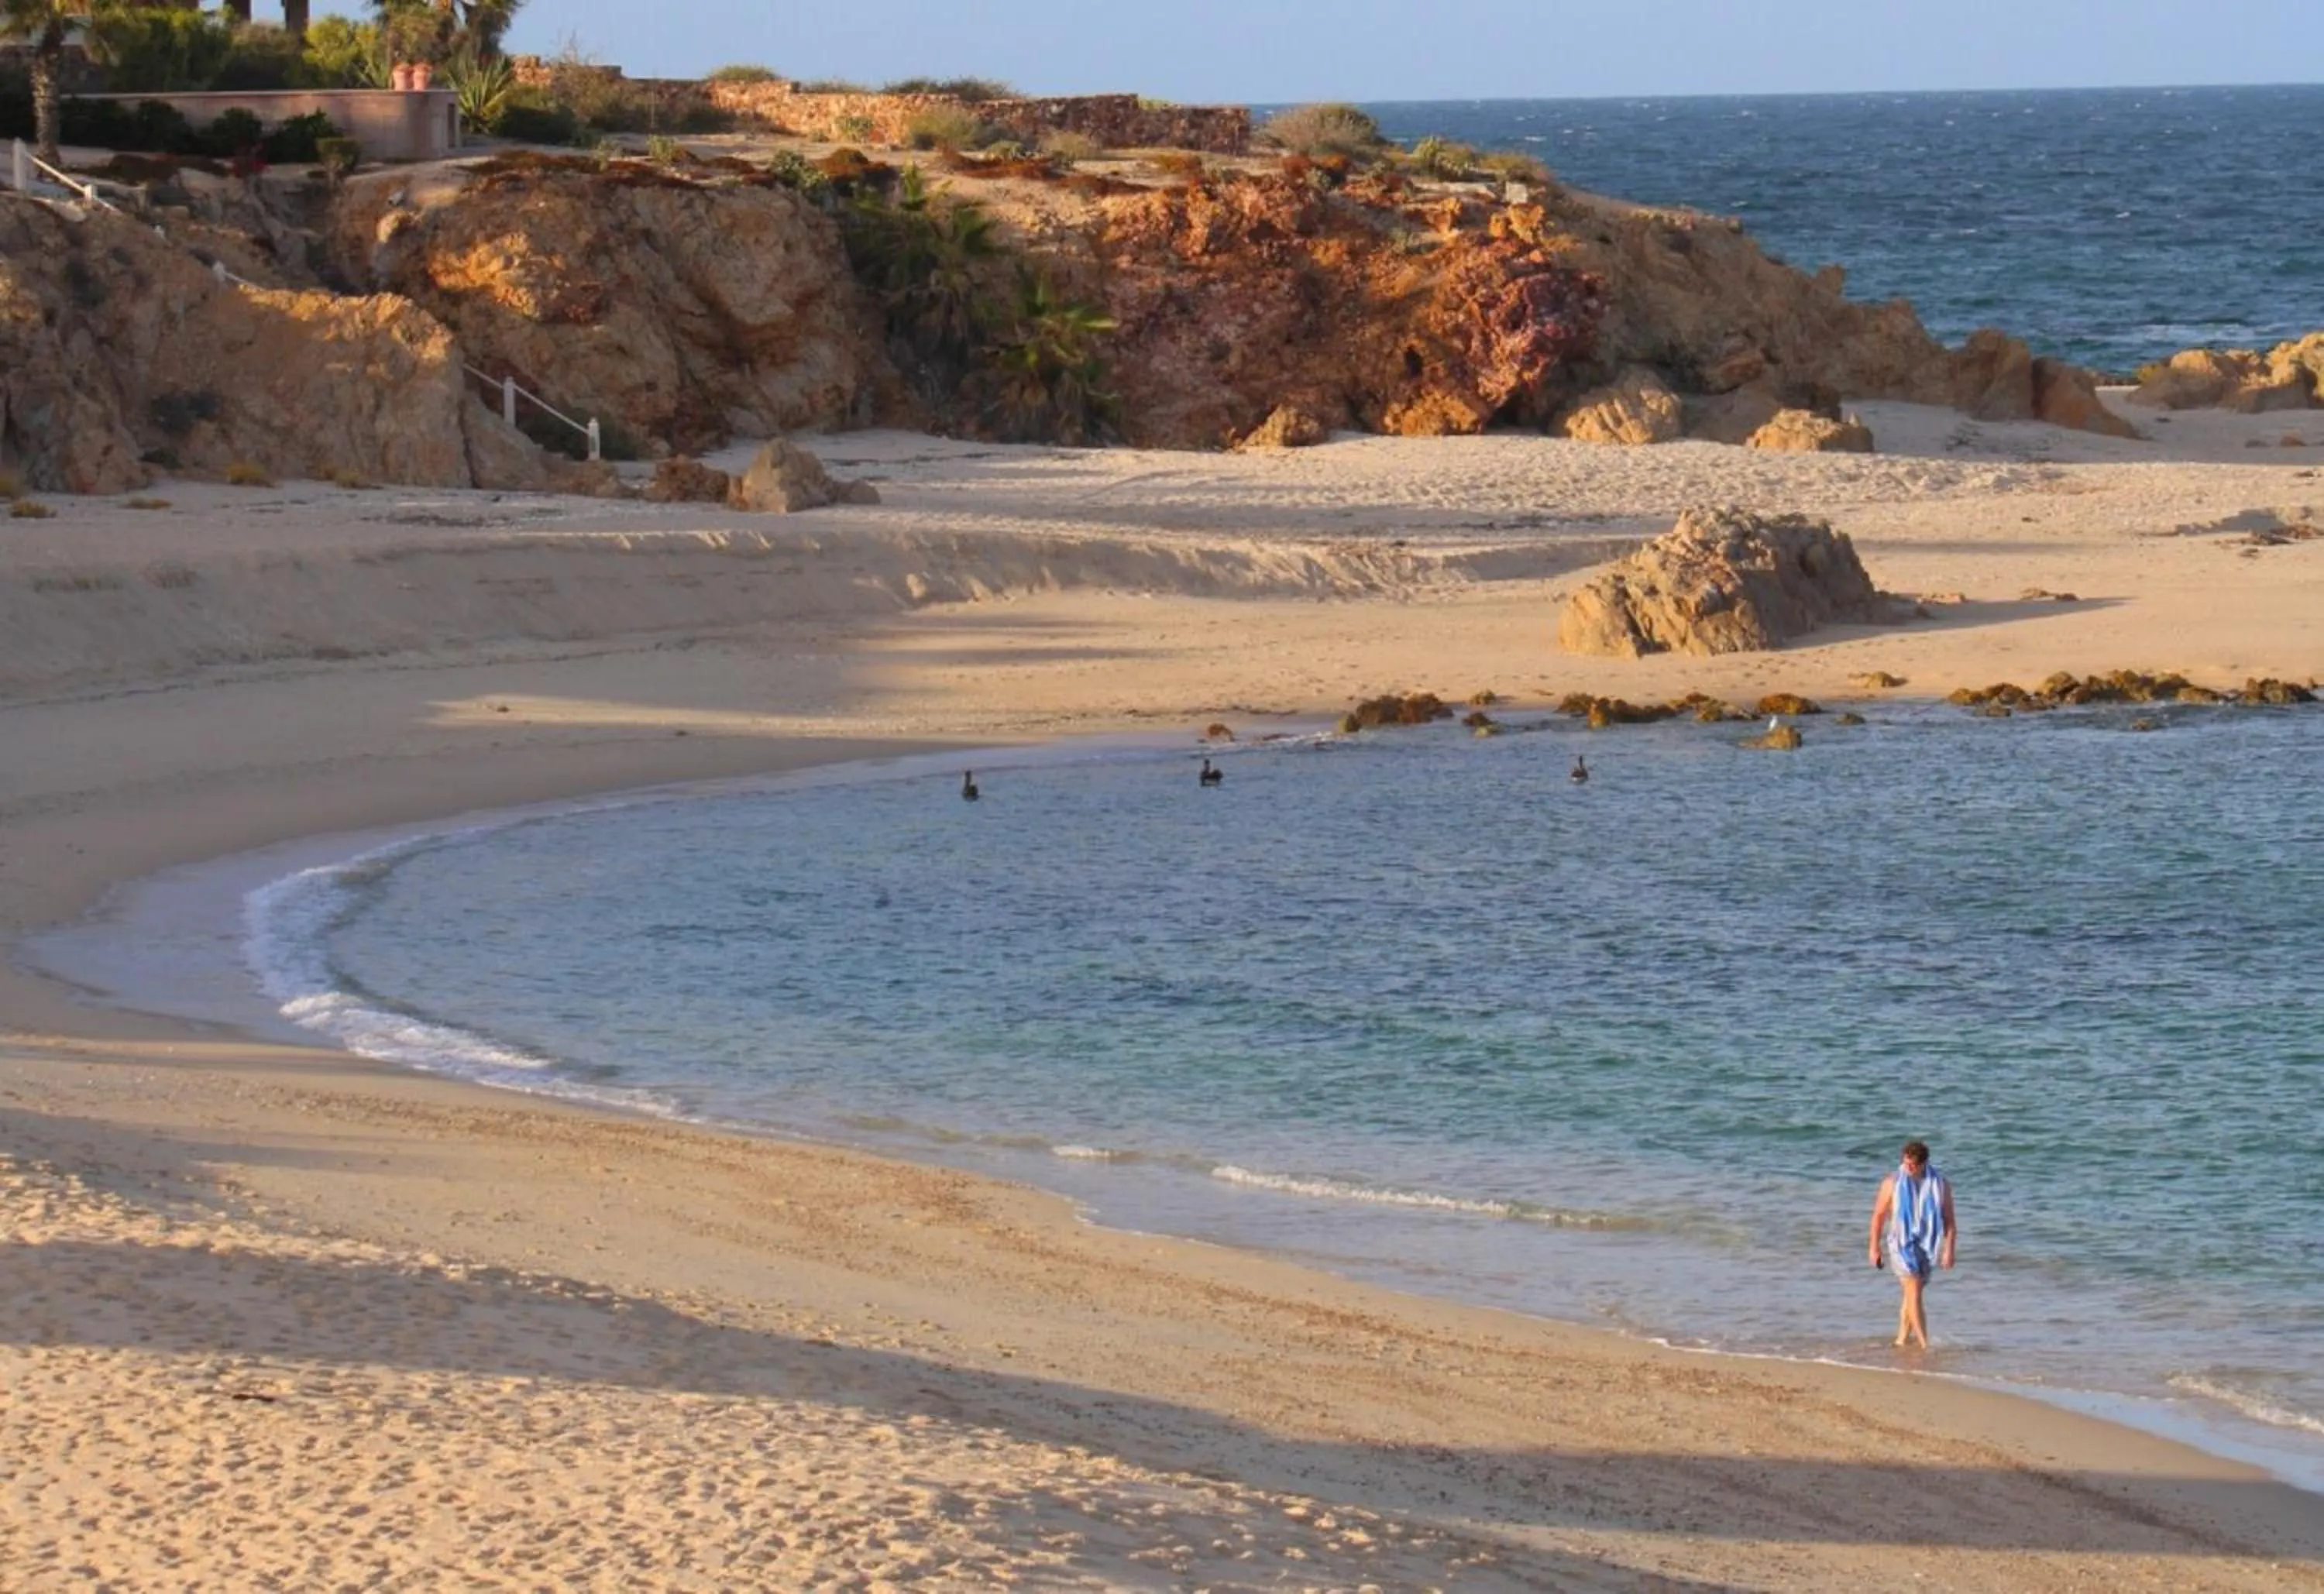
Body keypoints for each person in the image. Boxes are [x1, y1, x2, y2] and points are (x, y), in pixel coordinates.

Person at [1867, 1139, 1954, 1348]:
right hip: (1900, 1243)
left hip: (1925, 1243)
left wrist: (1948, 1249)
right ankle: (1925, 1344)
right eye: (1905, 1163)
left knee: (1911, 1294)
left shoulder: (1939, 1184)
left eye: (1912, 1165)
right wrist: (1874, 1247)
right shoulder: (1892, 1183)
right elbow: (1878, 1216)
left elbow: (1949, 1220)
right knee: (1913, 1288)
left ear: (1923, 1163)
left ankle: (1901, 1339)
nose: (1908, 1168)